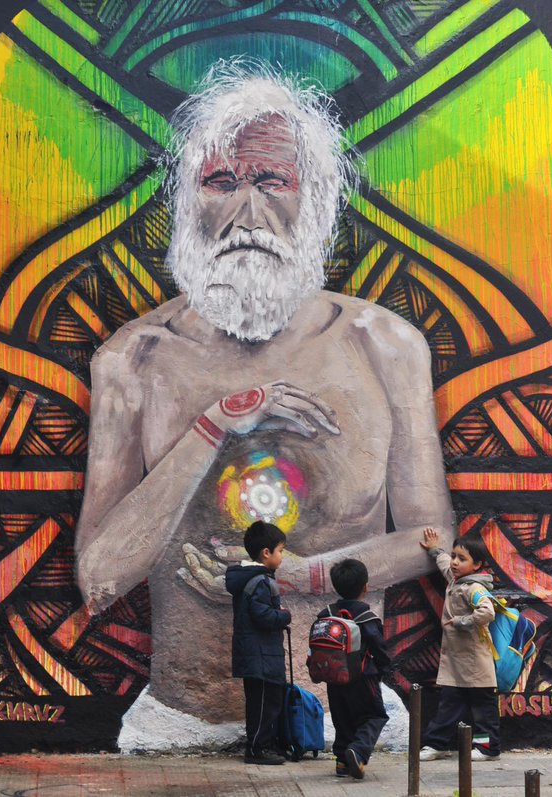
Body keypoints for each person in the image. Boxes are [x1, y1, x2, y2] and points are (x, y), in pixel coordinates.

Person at [74, 58, 455, 735]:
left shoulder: (385, 344)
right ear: (189, 198)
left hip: (353, 715)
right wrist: (214, 426)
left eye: (272, 179)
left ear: (316, 196)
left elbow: (434, 540)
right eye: (222, 181)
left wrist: (304, 576)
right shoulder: (133, 359)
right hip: (179, 721)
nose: (248, 209)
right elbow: (98, 578)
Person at [417, 527, 501, 761]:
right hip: (457, 662)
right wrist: (435, 550)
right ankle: (436, 744)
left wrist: (462, 621)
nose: (454, 562)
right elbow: (444, 564)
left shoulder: (474, 588)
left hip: (475, 662)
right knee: (449, 705)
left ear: (477, 565)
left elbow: (488, 612)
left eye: (461, 559)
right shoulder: (457, 580)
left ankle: (488, 748)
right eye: (455, 555)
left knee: (483, 708)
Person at [225, 521, 293, 765]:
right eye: (281, 550)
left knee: (261, 703)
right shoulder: (262, 581)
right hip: (262, 657)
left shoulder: (250, 579)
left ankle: (263, 745)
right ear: (267, 553)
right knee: (265, 704)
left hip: (256, 655)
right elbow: (262, 615)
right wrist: (284, 615)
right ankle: (256, 749)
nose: (282, 556)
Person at [318, 558, 390, 779]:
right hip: (363, 677)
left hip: (334, 677)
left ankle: (341, 761)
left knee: (342, 717)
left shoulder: (326, 614)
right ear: (365, 587)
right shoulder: (367, 618)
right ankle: (357, 752)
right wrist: (384, 667)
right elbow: (378, 646)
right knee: (374, 716)